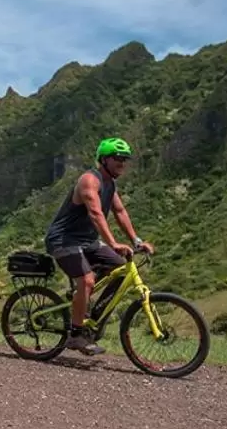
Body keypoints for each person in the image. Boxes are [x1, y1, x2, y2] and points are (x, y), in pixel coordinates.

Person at [43, 137, 154, 356]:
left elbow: (120, 212)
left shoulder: (110, 185)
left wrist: (136, 241)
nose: (122, 163)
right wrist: (113, 243)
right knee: (87, 280)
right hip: (64, 240)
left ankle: (93, 321)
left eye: (125, 159)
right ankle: (75, 335)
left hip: (88, 242)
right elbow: (95, 213)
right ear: (104, 160)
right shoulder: (89, 180)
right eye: (117, 159)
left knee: (121, 270)